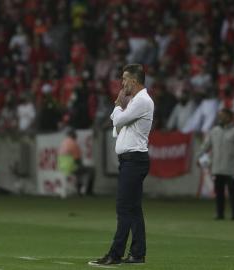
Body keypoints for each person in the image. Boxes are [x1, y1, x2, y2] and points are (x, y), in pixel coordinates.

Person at [89, 64, 154, 265]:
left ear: (134, 81)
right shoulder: (137, 101)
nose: (122, 82)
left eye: (124, 79)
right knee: (133, 209)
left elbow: (118, 120)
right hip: (131, 160)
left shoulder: (142, 100)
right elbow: (119, 127)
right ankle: (137, 254)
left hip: (134, 160)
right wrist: (120, 112)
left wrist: (117, 104)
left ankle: (115, 255)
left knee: (124, 208)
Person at [197, 108, 234, 220]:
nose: (220, 118)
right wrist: (199, 156)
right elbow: (206, 146)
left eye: (223, 116)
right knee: (219, 192)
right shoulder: (214, 131)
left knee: (232, 192)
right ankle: (220, 214)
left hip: (231, 167)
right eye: (219, 115)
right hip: (217, 167)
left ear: (230, 117)